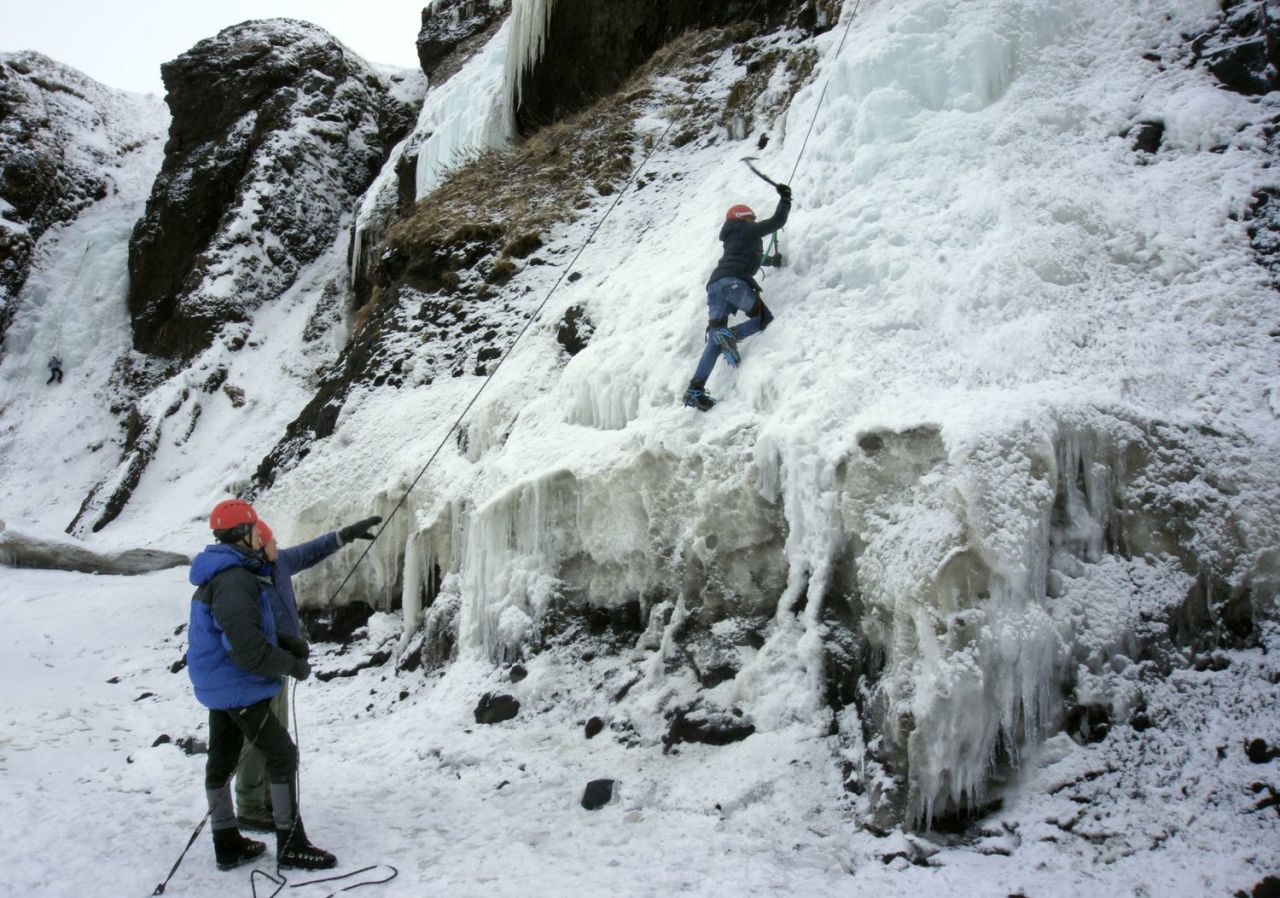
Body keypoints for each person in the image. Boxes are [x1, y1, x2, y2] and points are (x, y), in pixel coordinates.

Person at [187, 498, 380, 872]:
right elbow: (247, 648)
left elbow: (250, 632)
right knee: (281, 752)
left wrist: (286, 646)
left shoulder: (237, 572)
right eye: (257, 532)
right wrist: (291, 664)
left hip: (223, 683)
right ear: (243, 535)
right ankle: (290, 842)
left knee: (224, 756)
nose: (263, 539)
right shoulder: (234, 580)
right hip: (239, 682)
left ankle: (227, 842)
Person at [233, 514, 381, 832]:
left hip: (282, 664)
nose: (278, 545)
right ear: (259, 545)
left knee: (278, 731)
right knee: (259, 735)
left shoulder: (280, 563)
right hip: (258, 667)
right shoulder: (243, 580)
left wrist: (347, 534)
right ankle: (248, 804)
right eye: (272, 541)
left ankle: (272, 797)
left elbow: (313, 551)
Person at [683, 182, 792, 411]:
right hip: (733, 283)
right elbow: (776, 222)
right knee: (763, 317)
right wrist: (785, 200)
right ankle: (732, 334)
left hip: (715, 286)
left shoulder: (733, 238)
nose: (754, 222)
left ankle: (695, 389)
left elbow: (748, 259)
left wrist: (772, 261)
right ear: (744, 217)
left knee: (714, 340)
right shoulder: (745, 228)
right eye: (752, 218)